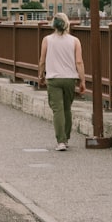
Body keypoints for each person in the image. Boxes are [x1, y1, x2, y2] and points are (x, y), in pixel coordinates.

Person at [37, 12, 87, 151]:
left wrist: (40, 75)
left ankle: (61, 141)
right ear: (67, 24)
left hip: (53, 79)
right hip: (70, 79)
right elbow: (79, 62)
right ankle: (66, 137)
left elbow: (42, 60)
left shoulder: (47, 40)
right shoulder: (75, 41)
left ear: (53, 25)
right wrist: (82, 80)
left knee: (57, 110)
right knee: (66, 109)